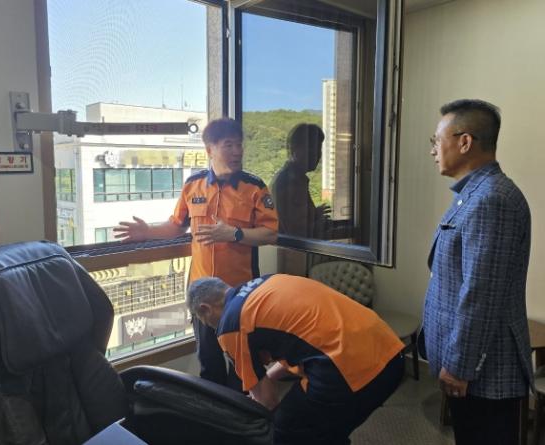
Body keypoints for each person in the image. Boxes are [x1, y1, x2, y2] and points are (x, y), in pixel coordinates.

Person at [114, 118, 279, 389]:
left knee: (244, 365)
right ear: (210, 149)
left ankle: (242, 413)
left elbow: (270, 234)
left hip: (239, 294)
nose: (237, 151)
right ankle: (213, 412)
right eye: (229, 145)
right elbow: (176, 225)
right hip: (202, 295)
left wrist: (234, 234)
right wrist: (147, 232)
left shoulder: (254, 187)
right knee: (209, 364)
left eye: (239, 145)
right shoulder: (193, 184)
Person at [423, 99, 533, 445]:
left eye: (436, 141)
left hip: (486, 370)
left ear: (465, 142)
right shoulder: (472, 194)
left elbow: (480, 293)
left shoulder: (491, 200)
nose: (433, 151)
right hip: (476, 365)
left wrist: (460, 365)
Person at [187, 274, 405, 445]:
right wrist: (265, 380)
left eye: (201, 319)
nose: (206, 325)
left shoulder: (230, 325)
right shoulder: (266, 282)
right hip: (390, 353)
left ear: (205, 309)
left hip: (349, 369)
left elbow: (268, 401)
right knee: (328, 429)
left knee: (285, 429)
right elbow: (298, 341)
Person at [271, 123, 330, 238]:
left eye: (319, 149)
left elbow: (297, 218)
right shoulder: (289, 182)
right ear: (295, 150)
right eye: (312, 149)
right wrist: (319, 226)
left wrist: (314, 214)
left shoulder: (295, 178)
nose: (318, 155)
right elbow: (293, 231)